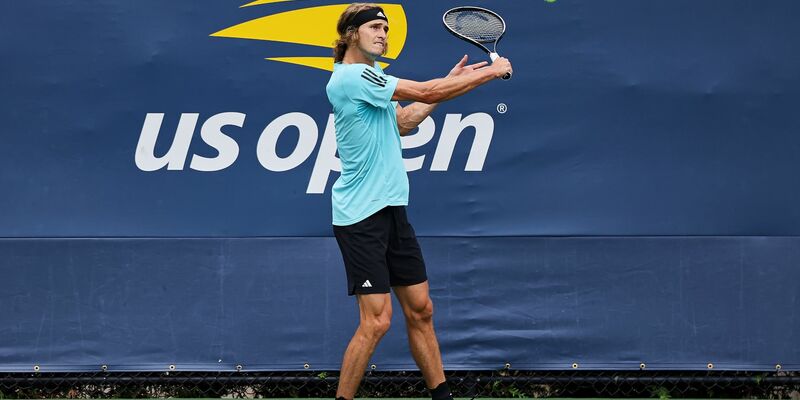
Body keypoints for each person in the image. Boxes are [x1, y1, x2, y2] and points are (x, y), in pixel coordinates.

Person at [325, 4, 513, 400]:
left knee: (421, 311)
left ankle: (441, 396)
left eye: (386, 28)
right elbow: (425, 91)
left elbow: (403, 121)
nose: (383, 34)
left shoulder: (371, 78)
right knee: (377, 322)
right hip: (360, 216)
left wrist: (449, 83)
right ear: (351, 34)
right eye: (375, 27)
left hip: (392, 209)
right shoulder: (350, 77)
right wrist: (489, 73)